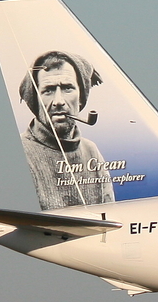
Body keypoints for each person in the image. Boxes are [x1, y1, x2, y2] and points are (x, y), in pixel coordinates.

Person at [19, 50, 115, 209]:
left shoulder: (91, 151)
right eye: (48, 90)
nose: (58, 101)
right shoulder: (23, 152)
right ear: (36, 99)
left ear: (81, 98)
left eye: (67, 88)